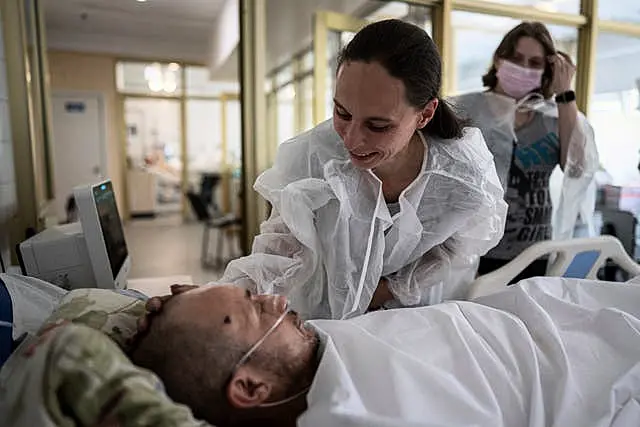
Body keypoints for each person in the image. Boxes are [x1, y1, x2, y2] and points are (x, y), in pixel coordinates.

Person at [214, 19, 507, 320]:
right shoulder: (313, 157)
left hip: (415, 317)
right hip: (320, 312)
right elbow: (279, 252)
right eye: (342, 112)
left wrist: (385, 292)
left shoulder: (462, 176)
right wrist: (226, 300)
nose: (352, 140)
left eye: (378, 125)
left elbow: (454, 249)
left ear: (425, 114)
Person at [130, 279, 640, 427]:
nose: (280, 301)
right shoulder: (353, 411)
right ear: (249, 387)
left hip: (550, 312)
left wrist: (202, 307)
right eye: (259, 312)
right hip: (589, 377)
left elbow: (213, 343)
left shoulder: (303, 356)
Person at [451, 22, 598, 283]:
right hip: (474, 251)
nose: (524, 68)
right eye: (517, 59)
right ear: (499, 60)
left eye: (535, 63)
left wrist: (565, 95)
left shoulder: (555, 116)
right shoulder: (464, 109)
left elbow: (577, 169)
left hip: (534, 252)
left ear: (547, 71)